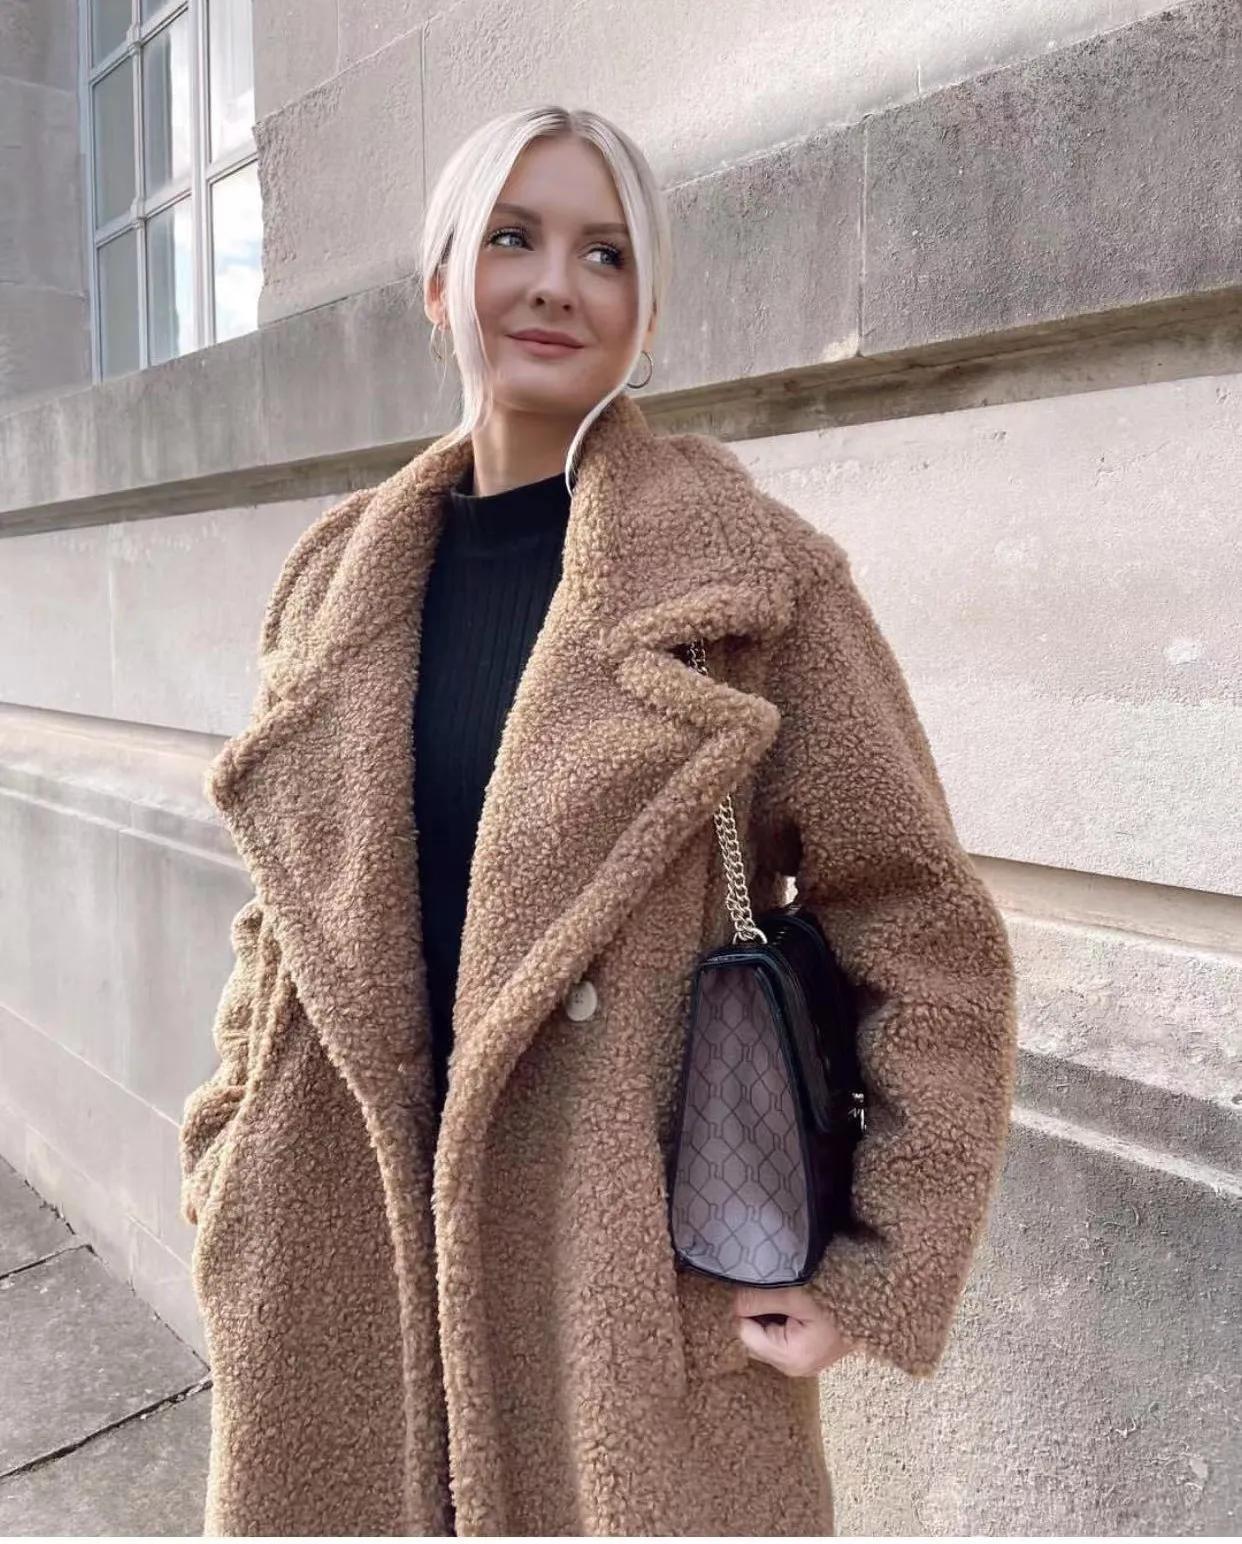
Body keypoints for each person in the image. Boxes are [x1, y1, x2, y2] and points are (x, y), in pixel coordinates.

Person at [179, 105, 1018, 1537]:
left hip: (621, 1313)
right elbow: (283, 923)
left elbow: (924, 930)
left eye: (606, 253)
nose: (556, 283)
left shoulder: (750, 587)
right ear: (440, 285)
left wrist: (874, 1268)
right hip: (336, 1272)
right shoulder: (333, 584)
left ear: (647, 314)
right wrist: (226, 1156)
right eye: (512, 238)